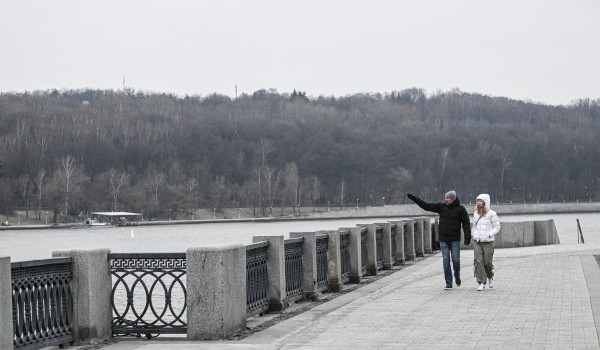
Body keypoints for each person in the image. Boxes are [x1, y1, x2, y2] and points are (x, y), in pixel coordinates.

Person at [407, 191, 471, 290]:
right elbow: (426, 206)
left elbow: (466, 223)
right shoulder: (441, 207)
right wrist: (415, 199)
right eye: (445, 197)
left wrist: (467, 237)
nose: (445, 199)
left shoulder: (461, 209)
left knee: (455, 260)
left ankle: (457, 275)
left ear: (453, 199)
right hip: (443, 239)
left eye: (448, 198)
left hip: (454, 239)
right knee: (446, 261)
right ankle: (449, 283)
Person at [472, 193, 501, 291]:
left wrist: (489, 234)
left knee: (487, 262)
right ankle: (481, 282)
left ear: (485, 202)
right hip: (477, 240)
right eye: (477, 201)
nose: (478, 203)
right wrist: (474, 234)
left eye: (481, 201)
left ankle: (490, 276)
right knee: (478, 261)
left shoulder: (492, 213)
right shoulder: (476, 213)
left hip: (488, 241)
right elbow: (474, 226)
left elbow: (497, 227)